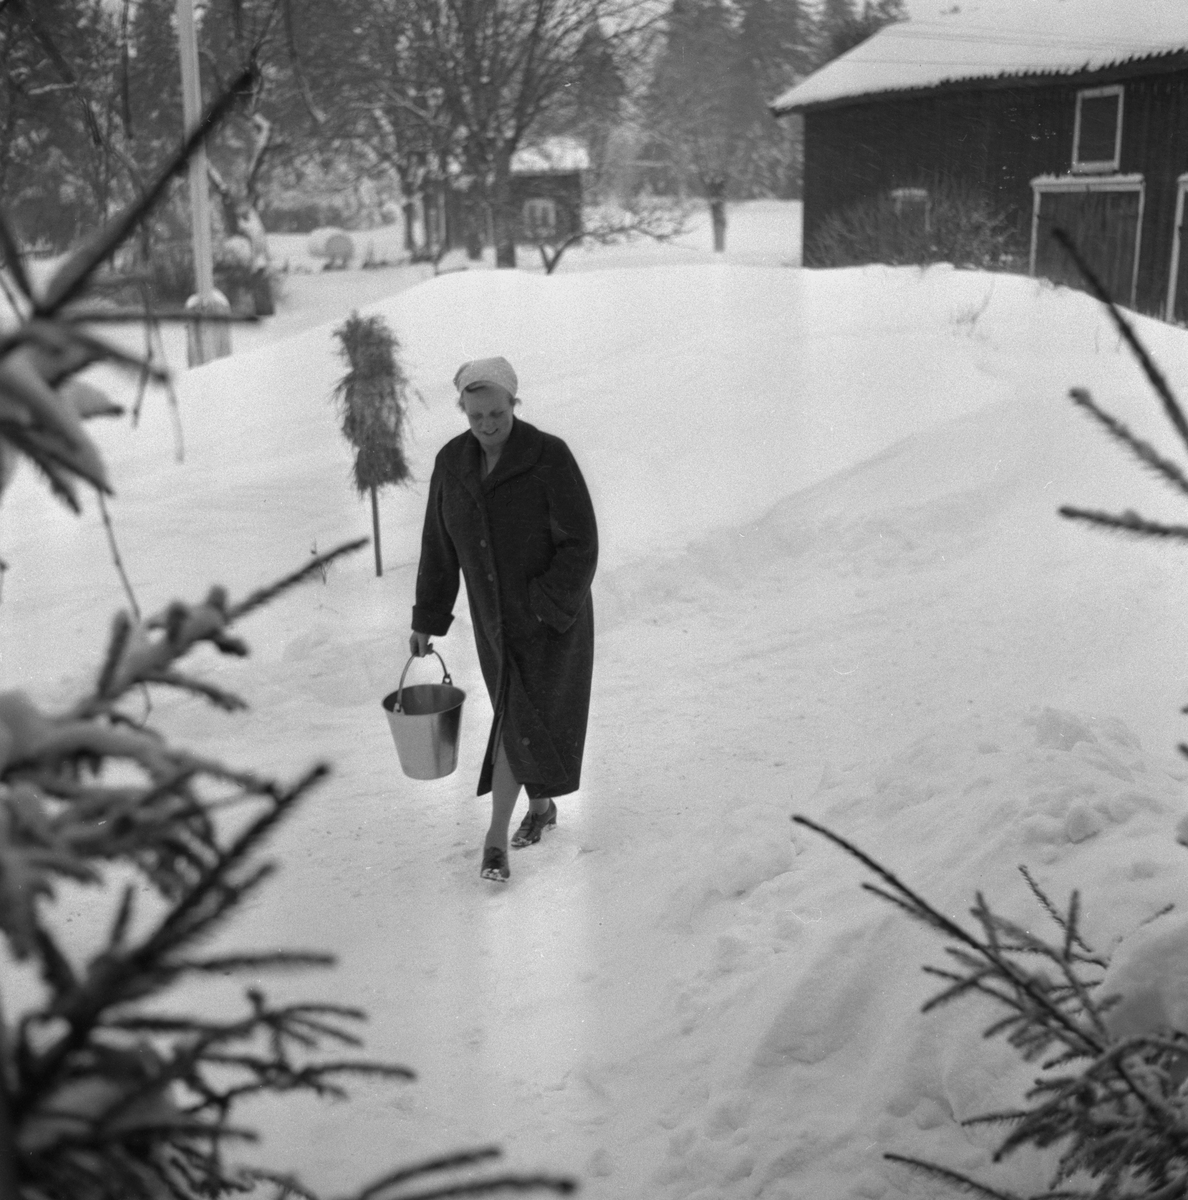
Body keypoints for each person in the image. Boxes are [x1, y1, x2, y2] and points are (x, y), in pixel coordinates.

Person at [409, 356, 598, 883]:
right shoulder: (452, 464)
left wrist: (544, 604)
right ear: (463, 412)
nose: (488, 425)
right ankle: (540, 808)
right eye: (476, 416)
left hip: (550, 623)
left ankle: (494, 840)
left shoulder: (548, 457)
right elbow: (439, 548)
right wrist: (427, 619)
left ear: (514, 404)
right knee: (517, 720)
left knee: (518, 719)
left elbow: (582, 543)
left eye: (497, 413)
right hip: (493, 623)